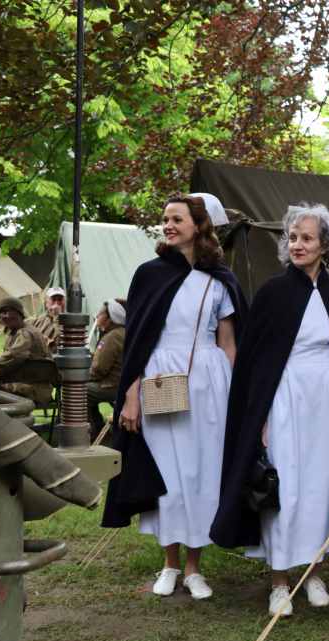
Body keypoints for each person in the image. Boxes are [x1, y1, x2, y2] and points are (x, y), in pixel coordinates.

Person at [211, 204, 329, 617]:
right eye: (293, 238)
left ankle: (313, 571)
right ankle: (280, 581)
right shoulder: (272, 292)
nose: (297, 245)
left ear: (325, 245)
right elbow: (256, 360)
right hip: (286, 395)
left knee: (324, 484)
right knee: (285, 486)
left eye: (307, 238)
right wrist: (261, 416)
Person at [101, 193, 247, 601]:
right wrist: (131, 395)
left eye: (177, 219)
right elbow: (137, 342)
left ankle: (195, 567)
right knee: (167, 472)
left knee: (202, 473)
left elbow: (229, 343)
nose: (168, 225)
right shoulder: (149, 274)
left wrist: (237, 395)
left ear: (199, 226)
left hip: (209, 383)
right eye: (165, 219)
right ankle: (169, 563)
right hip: (161, 378)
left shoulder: (220, 279)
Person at [0, 297, 54, 404]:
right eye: (2, 313)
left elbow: (11, 358)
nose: (6, 316)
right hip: (33, 387)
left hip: (32, 389)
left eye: (9, 312)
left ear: (19, 314)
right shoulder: (20, 331)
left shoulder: (25, 334)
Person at [87, 299, 126, 441]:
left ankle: (87, 433)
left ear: (110, 318)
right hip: (122, 384)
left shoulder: (112, 337)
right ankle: (98, 428)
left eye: (100, 314)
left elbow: (99, 369)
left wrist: (81, 377)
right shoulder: (122, 333)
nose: (97, 316)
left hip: (113, 386)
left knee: (78, 391)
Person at [30, 287, 66, 353]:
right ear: (46, 303)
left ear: (64, 303)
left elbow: (60, 341)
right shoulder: (38, 321)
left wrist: (57, 317)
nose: (57, 303)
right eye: (53, 299)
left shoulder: (70, 322)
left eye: (60, 299)